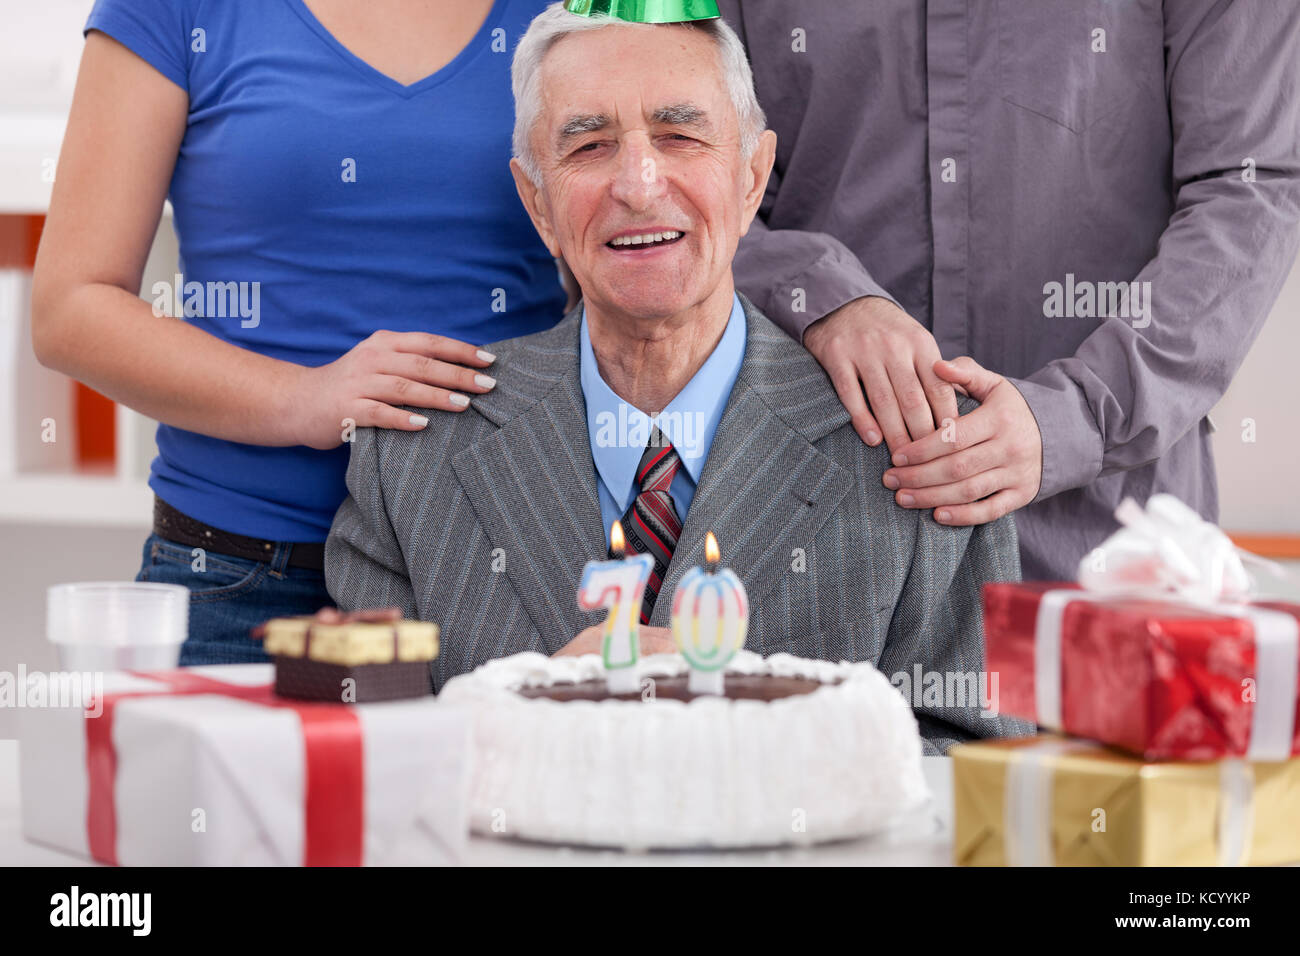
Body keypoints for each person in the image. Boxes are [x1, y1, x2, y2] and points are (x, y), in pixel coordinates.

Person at [325, 3, 1032, 753]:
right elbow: (371, 771)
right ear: (539, 205)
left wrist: (753, 740)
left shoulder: (926, 448)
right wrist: (518, 714)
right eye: (590, 145)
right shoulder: (411, 456)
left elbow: (978, 773)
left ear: (752, 176)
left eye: (679, 135)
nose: (638, 182)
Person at [31, 0, 567, 664]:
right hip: (242, 583)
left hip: (509, 573)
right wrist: (302, 398)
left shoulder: (573, 10)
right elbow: (70, 308)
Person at [716, 0, 1300, 579]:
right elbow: (687, 171)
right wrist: (818, 294)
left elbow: (1249, 186)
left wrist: (1080, 417)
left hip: (1113, 554)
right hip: (820, 542)